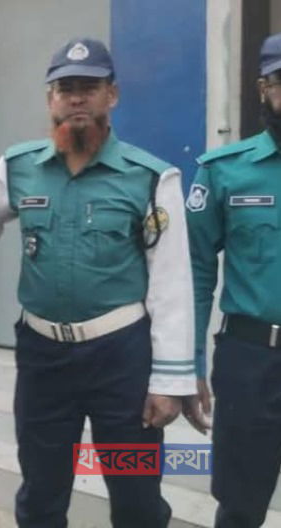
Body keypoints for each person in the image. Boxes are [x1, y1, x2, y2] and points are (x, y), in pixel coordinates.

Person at [0, 38, 198, 527]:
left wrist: (169, 382)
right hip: (43, 359)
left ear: (111, 95)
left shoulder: (149, 178)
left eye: (89, 87)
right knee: (41, 494)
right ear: (50, 98)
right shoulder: (18, 168)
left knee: (137, 499)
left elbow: (172, 283)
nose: (76, 98)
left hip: (121, 358)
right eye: (65, 88)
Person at [186, 31, 281, 528]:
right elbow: (196, 270)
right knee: (241, 507)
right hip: (251, 361)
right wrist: (190, 363)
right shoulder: (225, 172)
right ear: (264, 89)